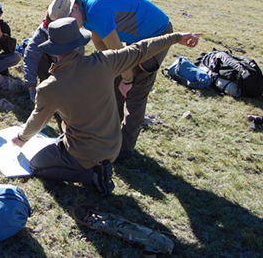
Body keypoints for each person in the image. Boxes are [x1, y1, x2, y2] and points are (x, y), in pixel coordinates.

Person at [12, 17, 201, 196]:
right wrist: (176, 37)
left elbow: (37, 120)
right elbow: (141, 49)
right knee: (59, 142)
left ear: (54, 50)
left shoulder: (50, 86)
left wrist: (21, 138)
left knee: (36, 165)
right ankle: (92, 165)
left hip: (84, 154)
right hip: (113, 146)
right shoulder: (104, 62)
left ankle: (92, 176)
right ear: (80, 44)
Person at [71, 0, 174, 161]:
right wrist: (111, 70)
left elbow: (118, 53)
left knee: (136, 88)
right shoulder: (85, 11)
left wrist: (127, 79)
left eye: (70, 20)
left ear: (74, 7)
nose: (71, 25)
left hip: (157, 34)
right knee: (114, 81)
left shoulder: (96, 9)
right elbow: (100, 43)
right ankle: (109, 136)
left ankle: (125, 148)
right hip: (137, 37)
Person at [23, 0, 84, 102]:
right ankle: (47, 88)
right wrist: (32, 87)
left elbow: (79, 58)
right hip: (51, 66)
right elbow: (31, 56)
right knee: (39, 53)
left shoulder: (74, 29)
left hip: (67, 67)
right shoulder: (43, 32)